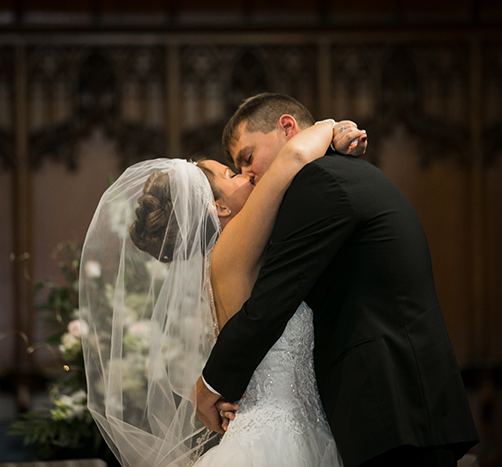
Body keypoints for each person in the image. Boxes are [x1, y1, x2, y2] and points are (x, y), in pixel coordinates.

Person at [194, 93, 479, 467]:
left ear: (288, 129)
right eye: (236, 171)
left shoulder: (319, 182)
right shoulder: (337, 173)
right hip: (397, 405)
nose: (250, 176)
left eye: (248, 159)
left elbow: (271, 302)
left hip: (394, 405)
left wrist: (211, 384)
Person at [80, 117, 365, 467]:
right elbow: (293, 157)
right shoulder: (232, 249)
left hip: (295, 430)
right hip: (273, 445)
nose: (246, 175)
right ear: (220, 208)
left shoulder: (229, 259)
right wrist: (333, 126)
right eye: (232, 175)